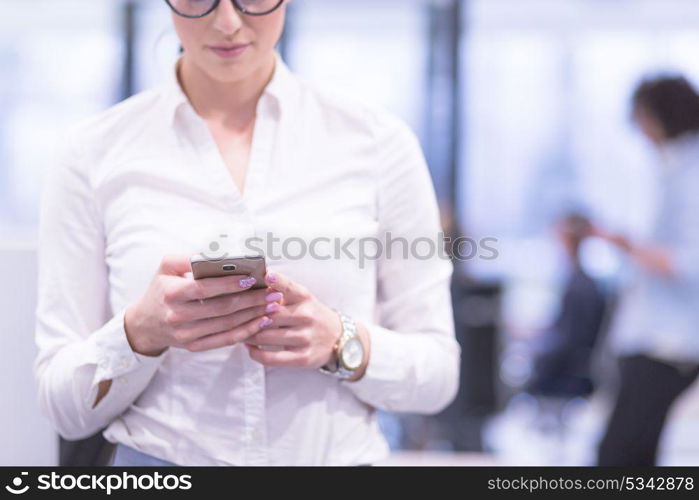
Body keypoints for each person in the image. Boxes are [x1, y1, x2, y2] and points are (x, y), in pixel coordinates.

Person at [33, 0, 460, 466]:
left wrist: (340, 342)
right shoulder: (92, 153)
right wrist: (140, 333)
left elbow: (438, 375)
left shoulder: (377, 143)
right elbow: (62, 406)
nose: (228, 21)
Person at [595, 75, 699, 466]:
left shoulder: (691, 173)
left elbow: (691, 261)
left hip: (670, 344)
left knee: (617, 456)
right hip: (655, 338)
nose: (639, 129)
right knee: (636, 453)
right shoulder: (673, 168)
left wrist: (628, 246)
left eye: (641, 117)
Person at [526, 213, 607, 398]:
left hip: (566, 372)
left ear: (566, 239)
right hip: (571, 365)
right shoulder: (582, 282)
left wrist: (536, 355)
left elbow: (567, 342)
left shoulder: (580, 287)